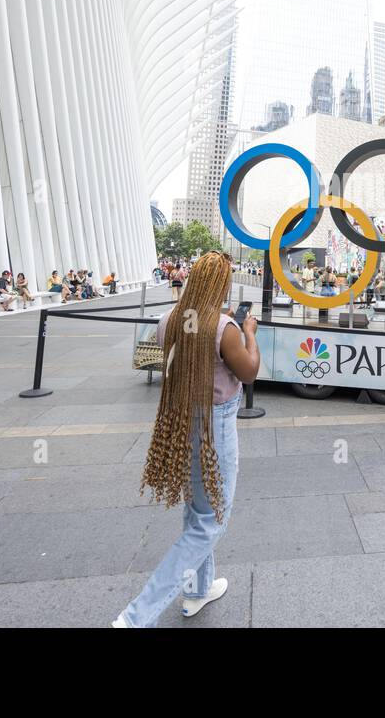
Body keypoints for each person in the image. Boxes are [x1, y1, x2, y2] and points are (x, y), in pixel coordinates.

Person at [113, 252, 260, 628]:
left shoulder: (168, 320)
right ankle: (135, 617)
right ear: (222, 285)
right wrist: (250, 334)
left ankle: (198, 590)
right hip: (216, 424)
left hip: (182, 420)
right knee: (211, 521)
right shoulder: (225, 327)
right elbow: (249, 372)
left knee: (198, 510)